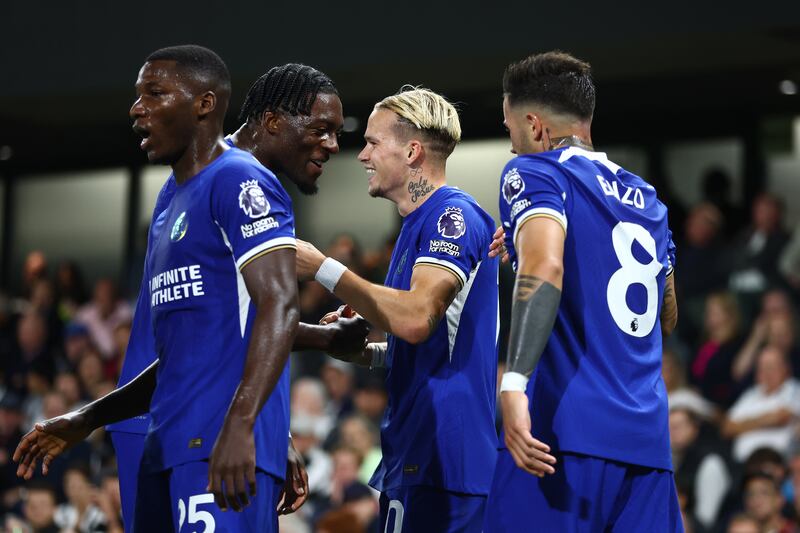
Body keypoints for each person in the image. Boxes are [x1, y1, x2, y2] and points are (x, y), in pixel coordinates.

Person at [13, 46, 364, 532]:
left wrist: (254, 425)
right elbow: (216, 330)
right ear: (273, 121)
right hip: (163, 436)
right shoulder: (176, 195)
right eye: (320, 128)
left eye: (154, 94)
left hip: (207, 441)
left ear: (203, 105)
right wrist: (87, 417)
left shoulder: (239, 180)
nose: (137, 109)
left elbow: (271, 308)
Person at [486, 51, 680, 532]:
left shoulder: (535, 173)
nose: (512, 148)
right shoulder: (648, 199)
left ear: (535, 126)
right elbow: (666, 316)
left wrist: (511, 385)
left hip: (562, 436)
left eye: (511, 133)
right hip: (648, 444)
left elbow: (546, 265)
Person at [296, 87, 499, 532]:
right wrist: (363, 353)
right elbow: (431, 344)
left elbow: (416, 319)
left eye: (372, 142)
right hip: (418, 452)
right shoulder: (415, 227)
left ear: (411, 151)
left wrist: (325, 268)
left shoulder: (453, 217)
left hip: (447, 459)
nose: (362, 154)